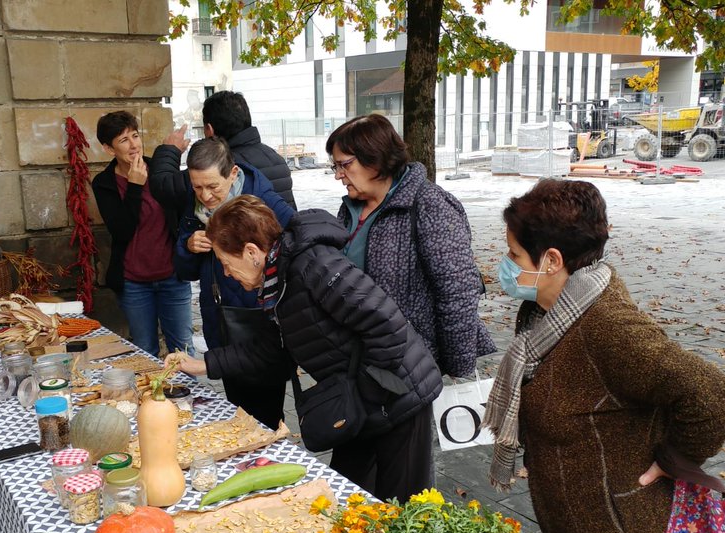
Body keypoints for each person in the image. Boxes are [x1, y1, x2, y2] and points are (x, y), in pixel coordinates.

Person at [483, 180, 725, 533]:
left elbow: (713, 395)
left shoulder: (608, 327)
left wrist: (671, 461)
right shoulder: (546, 312)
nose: (505, 263)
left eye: (514, 254)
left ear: (552, 260)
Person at [167, 196, 442, 501]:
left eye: (226, 264)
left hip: (400, 395)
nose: (227, 273)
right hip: (363, 400)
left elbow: (386, 325)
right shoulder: (277, 283)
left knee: (402, 503)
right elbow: (272, 350)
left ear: (251, 252)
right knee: (350, 492)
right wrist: (203, 364)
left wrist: (366, 392)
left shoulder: (315, 266)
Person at [325, 114, 494, 379]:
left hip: (415, 367)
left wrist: (457, 373)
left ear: (376, 157)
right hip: (363, 360)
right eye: (334, 166)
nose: (338, 175)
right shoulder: (349, 209)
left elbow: (457, 295)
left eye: (344, 165)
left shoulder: (430, 205)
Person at [150, 136, 296, 429]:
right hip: (219, 318)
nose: (205, 195)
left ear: (233, 173)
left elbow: (292, 244)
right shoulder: (195, 209)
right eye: (197, 187)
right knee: (235, 411)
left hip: (257, 320)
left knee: (263, 417)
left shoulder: (262, 198)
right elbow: (185, 270)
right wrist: (188, 247)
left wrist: (262, 282)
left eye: (213, 187)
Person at [92, 111, 193, 356]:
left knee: (182, 348)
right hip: (134, 283)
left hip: (172, 277)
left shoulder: (160, 171)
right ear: (109, 148)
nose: (133, 144)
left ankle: (188, 395)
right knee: (145, 350)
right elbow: (122, 231)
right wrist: (135, 186)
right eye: (123, 140)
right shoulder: (103, 183)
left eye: (135, 136)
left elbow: (183, 215)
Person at [201, 90, 296, 208]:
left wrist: (173, 151)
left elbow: (174, 190)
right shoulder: (276, 158)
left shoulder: (220, 166)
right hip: (283, 226)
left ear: (210, 130)